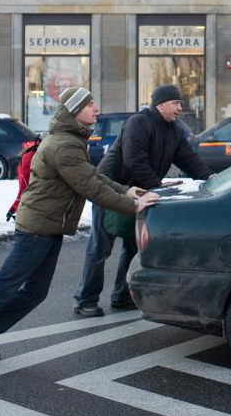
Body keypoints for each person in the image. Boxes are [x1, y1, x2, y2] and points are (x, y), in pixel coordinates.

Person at [0, 87, 158, 367]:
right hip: (36, 227)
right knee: (3, 285)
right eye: (90, 104)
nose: (96, 108)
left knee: (35, 292)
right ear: (75, 111)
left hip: (49, 227)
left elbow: (93, 177)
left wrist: (127, 190)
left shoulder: (72, 140)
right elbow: (89, 187)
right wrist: (132, 206)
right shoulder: (64, 144)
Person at [73, 84, 213, 317]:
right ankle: (85, 299)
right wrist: (156, 186)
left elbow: (187, 158)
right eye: (175, 103)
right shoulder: (139, 123)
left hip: (139, 193)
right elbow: (133, 160)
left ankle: (121, 296)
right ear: (160, 104)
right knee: (100, 249)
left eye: (180, 103)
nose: (180, 108)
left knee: (132, 247)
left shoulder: (172, 130)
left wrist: (208, 177)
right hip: (111, 191)